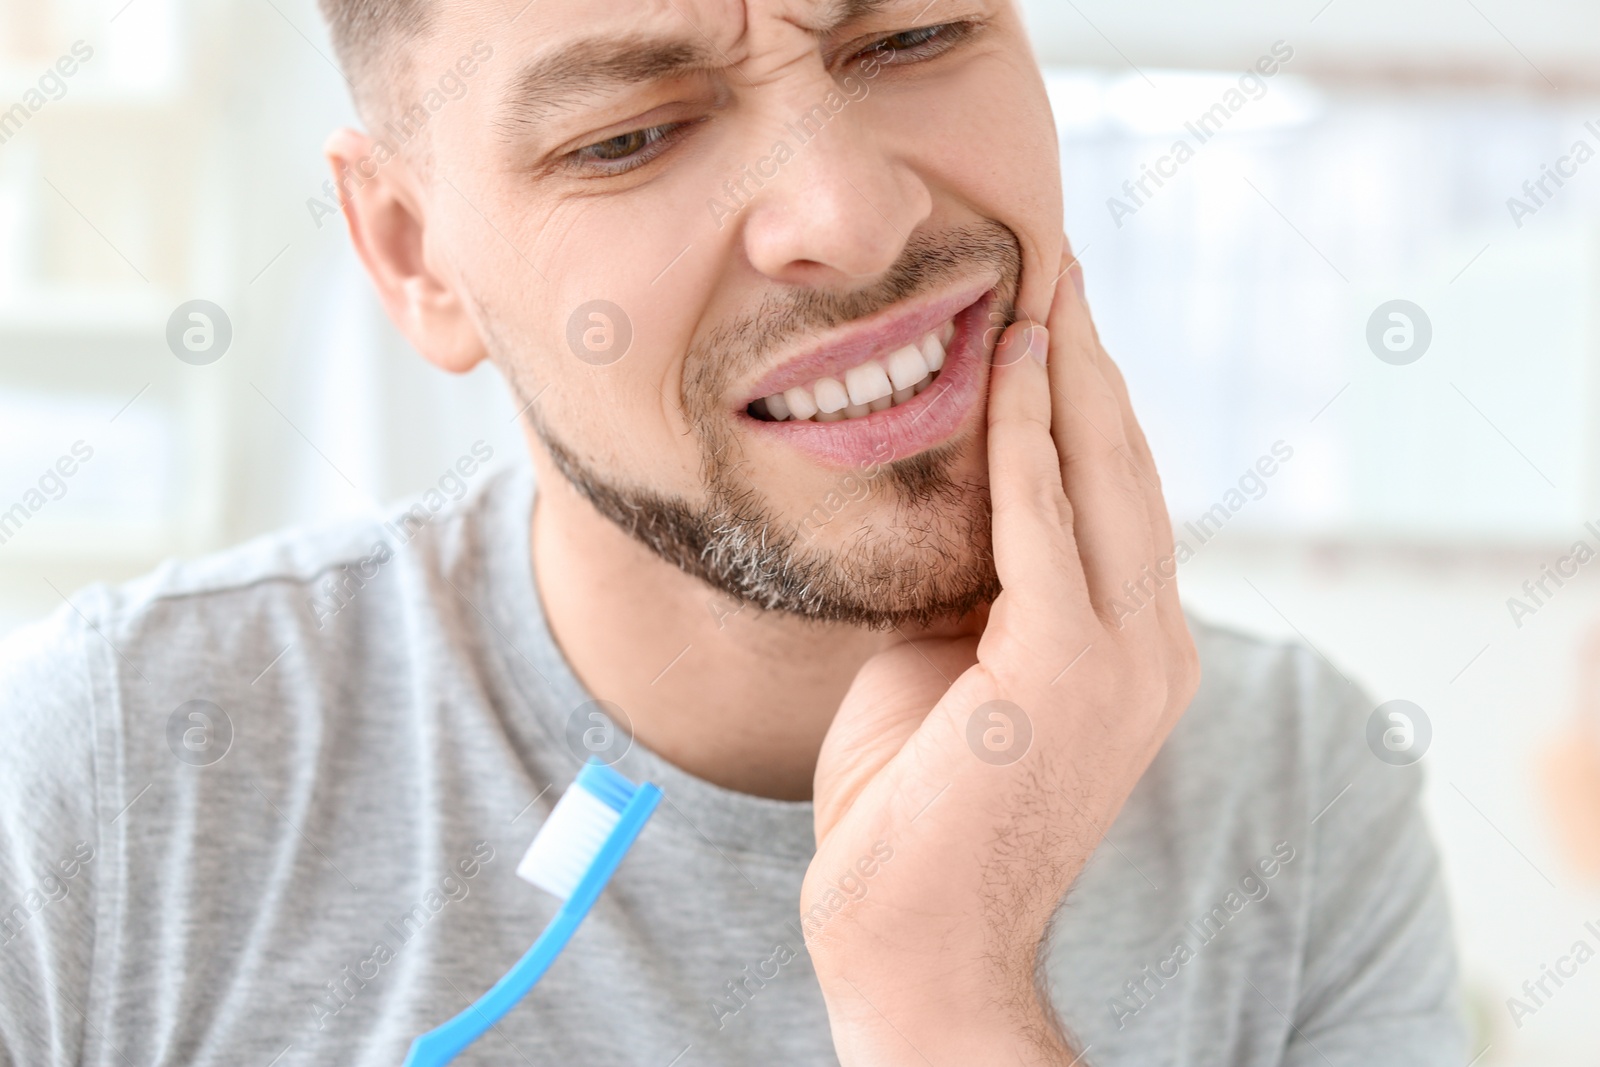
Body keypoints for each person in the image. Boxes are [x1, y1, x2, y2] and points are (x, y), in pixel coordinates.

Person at [0, 1, 1464, 1063]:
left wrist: (943, 994)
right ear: (411, 253)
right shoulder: (112, 771)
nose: (854, 214)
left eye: (910, 39)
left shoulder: (1301, 797)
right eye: (632, 134)